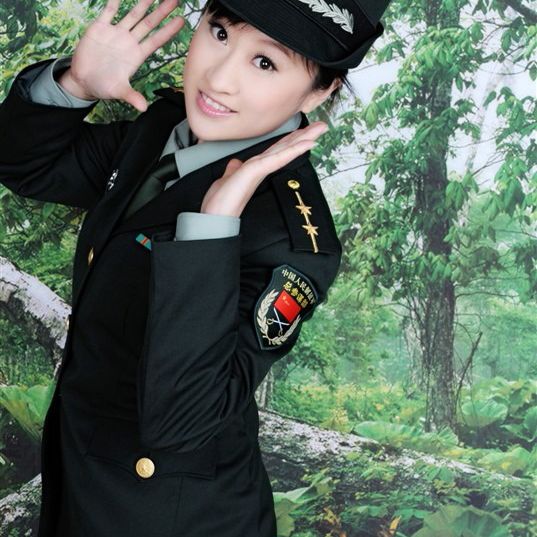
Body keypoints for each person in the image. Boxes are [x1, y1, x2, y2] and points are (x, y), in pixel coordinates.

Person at [0, 0, 391, 535]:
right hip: (83, 486)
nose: (219, 78)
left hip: (171, 519)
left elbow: (181, 422)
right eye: (220, 32)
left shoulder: (292, 240)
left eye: (265, 63)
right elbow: (26, 164)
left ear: (319, 92)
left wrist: (212, 230)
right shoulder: (165, 128)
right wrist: (76, 85)